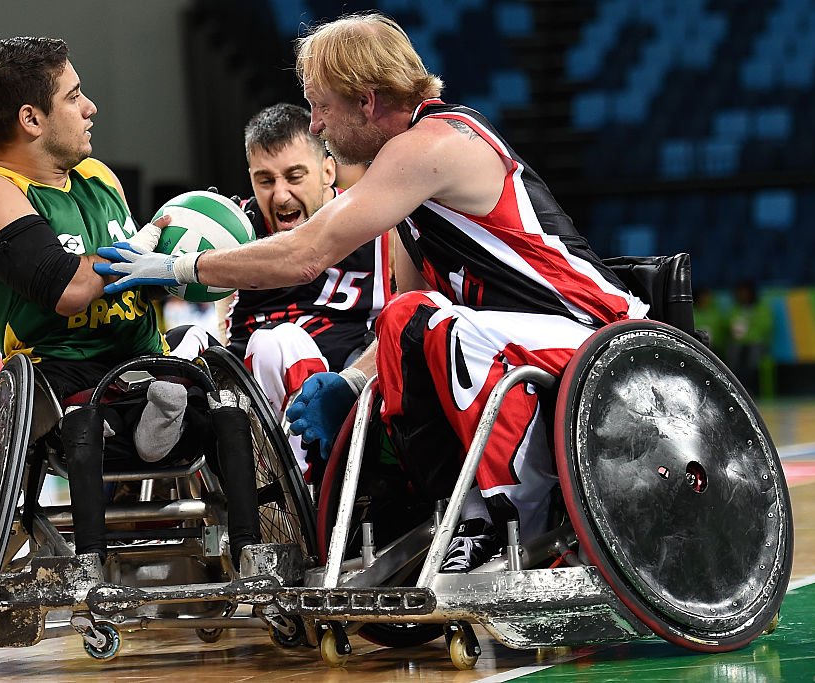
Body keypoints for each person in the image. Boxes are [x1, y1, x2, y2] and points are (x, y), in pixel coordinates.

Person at [97, 13, 648, 572]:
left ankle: (505, 524)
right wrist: (354, 383)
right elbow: (402, 329)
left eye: (321, 105)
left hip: (597, 332)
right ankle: (443, 512)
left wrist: (180, 267)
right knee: (405, 322)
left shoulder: (433, 142)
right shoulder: (412, 183)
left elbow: (307, 252)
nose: (314, 125)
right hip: (531, 339)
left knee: (424, 319)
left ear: (365, 100)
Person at [0, 37, 229, 566]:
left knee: (222, 386)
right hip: (61, 375)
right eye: (74, 96)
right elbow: (68, 289)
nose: (90, 107)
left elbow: (130, 280)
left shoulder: (99, 176)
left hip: (141, 358)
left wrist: (179, 266)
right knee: (95, 403)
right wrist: (135, 253)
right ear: (31, 118)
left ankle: (251, 541)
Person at [198, 103, 391, 478]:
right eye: (265, 180)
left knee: (281, 340)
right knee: (192, 342)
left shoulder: (378, 222)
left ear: (328, 171)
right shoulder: (231, 225)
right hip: (246, 391)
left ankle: (296, 494)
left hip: (344, 386)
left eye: (294, 176)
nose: (282, 196)